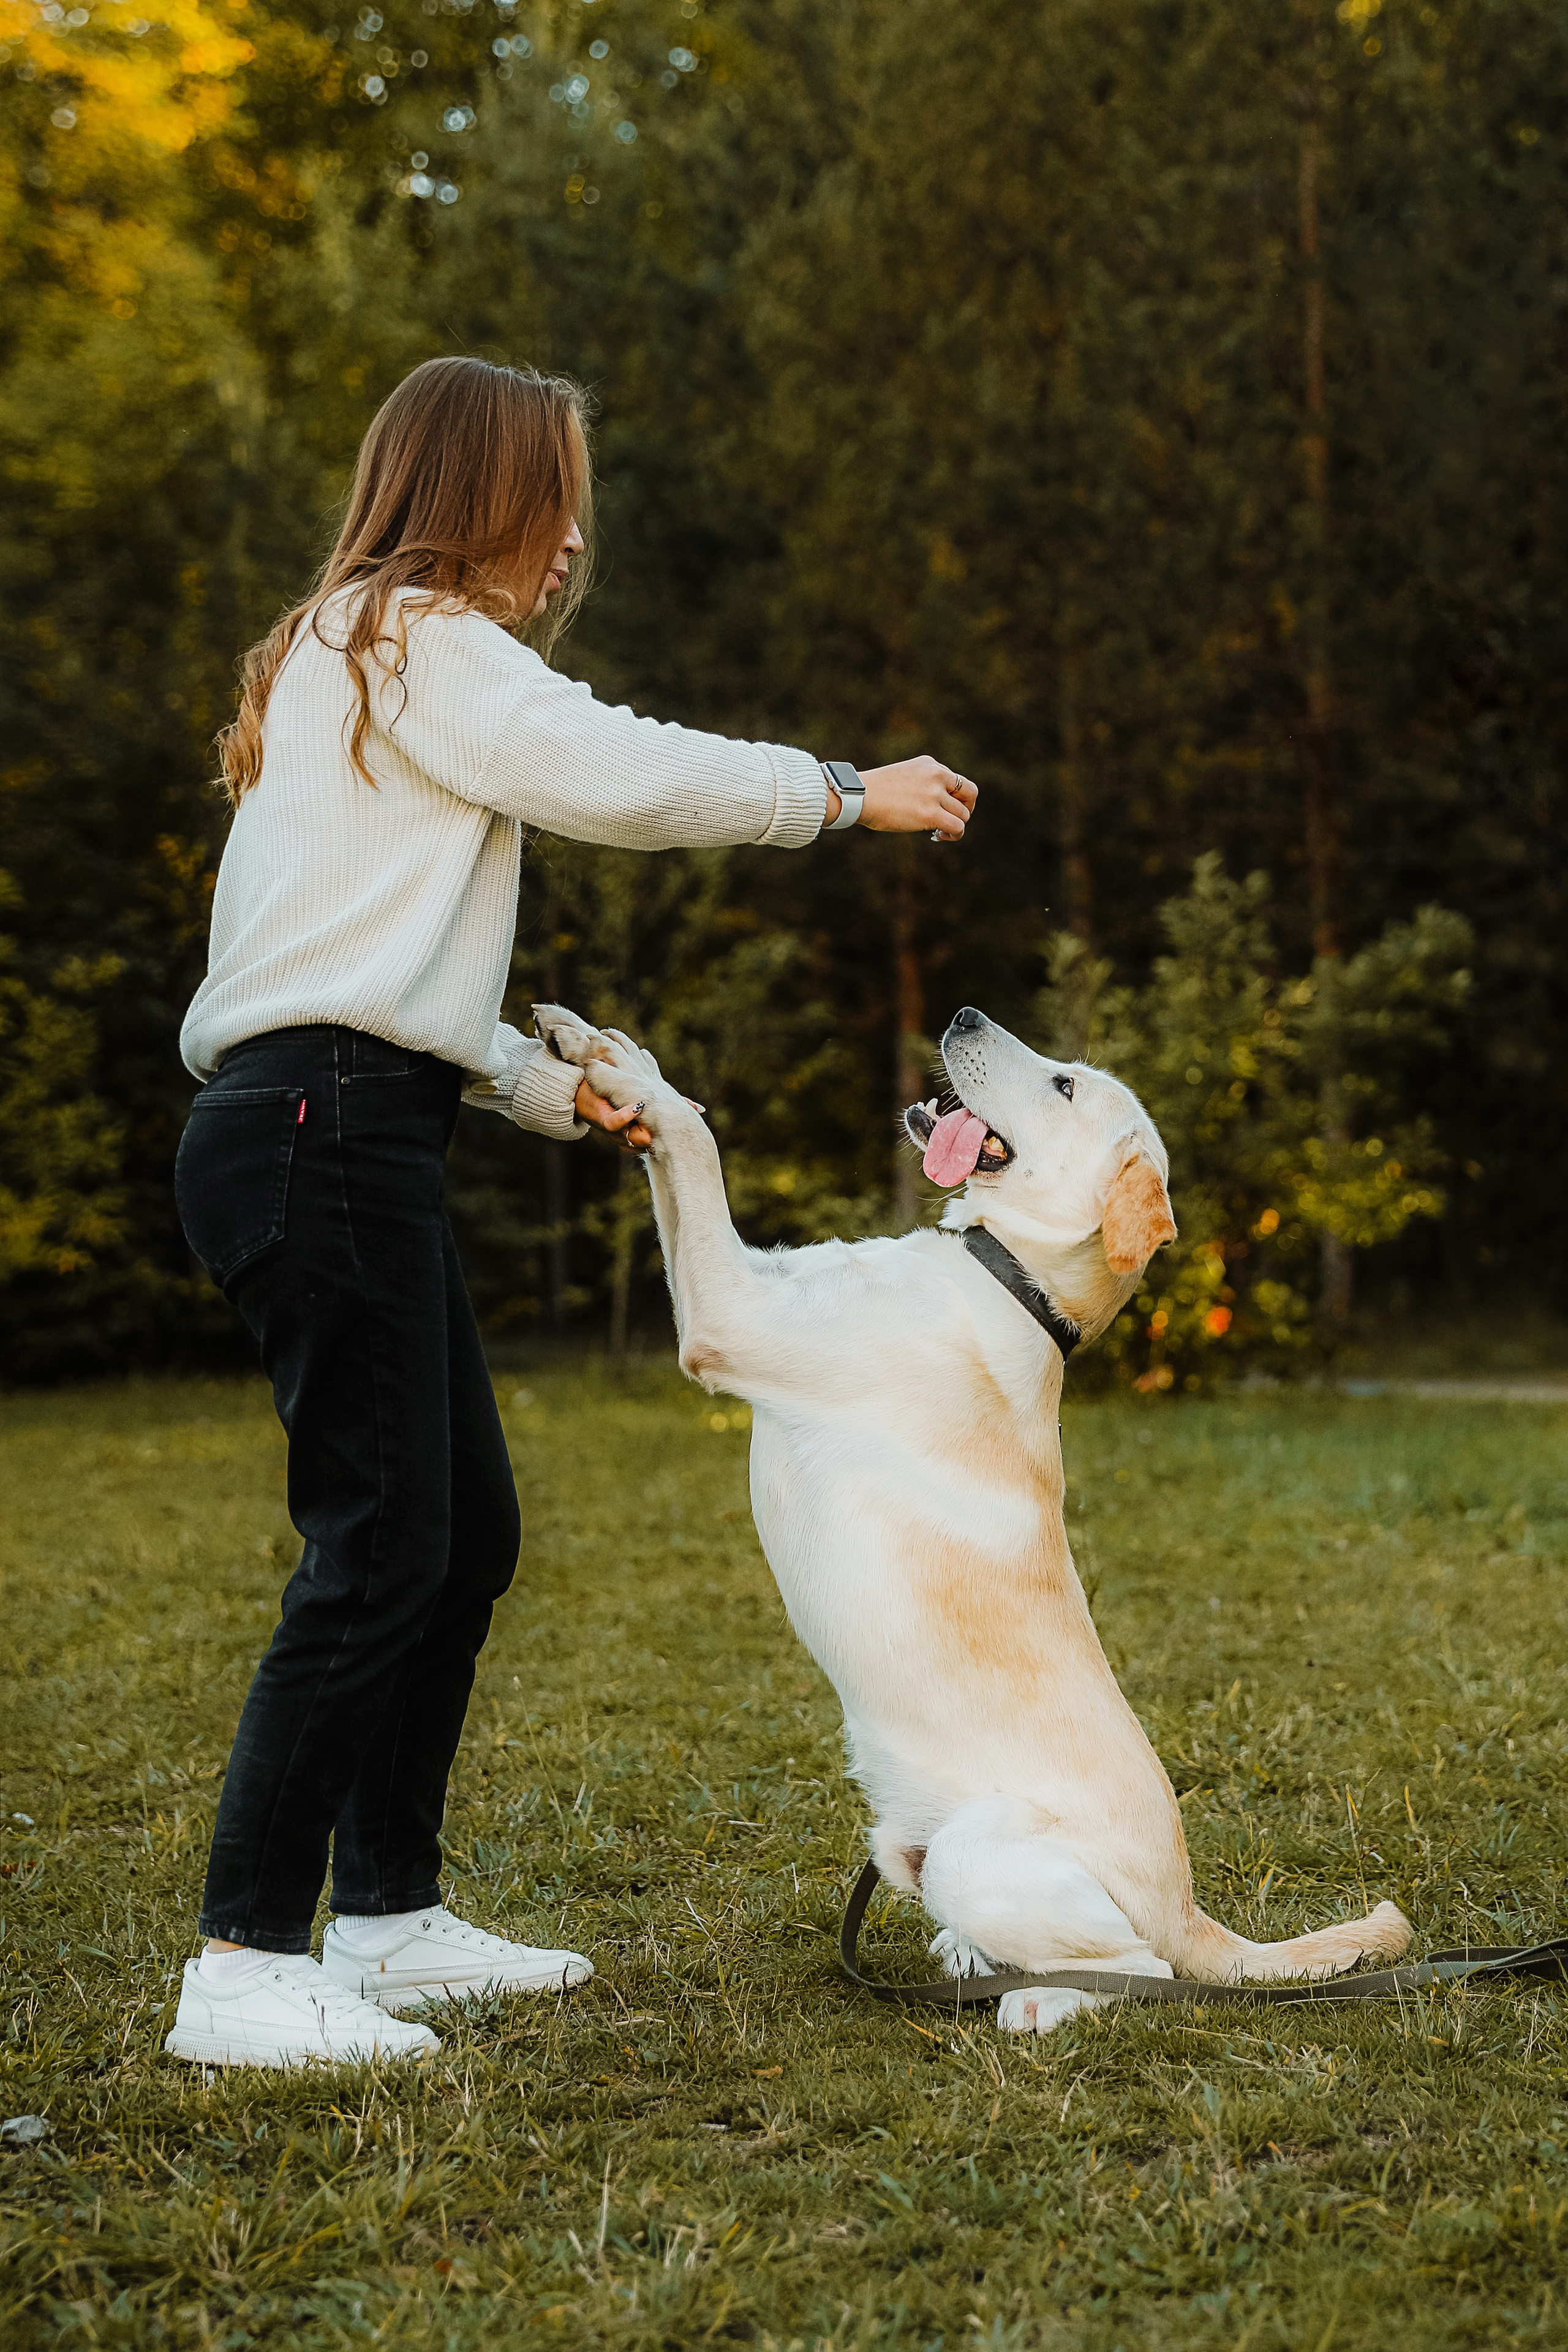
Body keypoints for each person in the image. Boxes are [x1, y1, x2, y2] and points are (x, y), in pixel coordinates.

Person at [164, 354, 979, 2069]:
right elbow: (618, 775)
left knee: (459, 1539)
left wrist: (546, 1089)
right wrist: (843, 791)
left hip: (329, 1121)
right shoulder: (411, 639)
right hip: (320, 1130)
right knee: (380, 1548)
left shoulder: (349, 655)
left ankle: (386, 1920)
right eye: (557, 501)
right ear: (483, 494)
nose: (574, 541)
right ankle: (243, 1962)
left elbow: (361, 968)